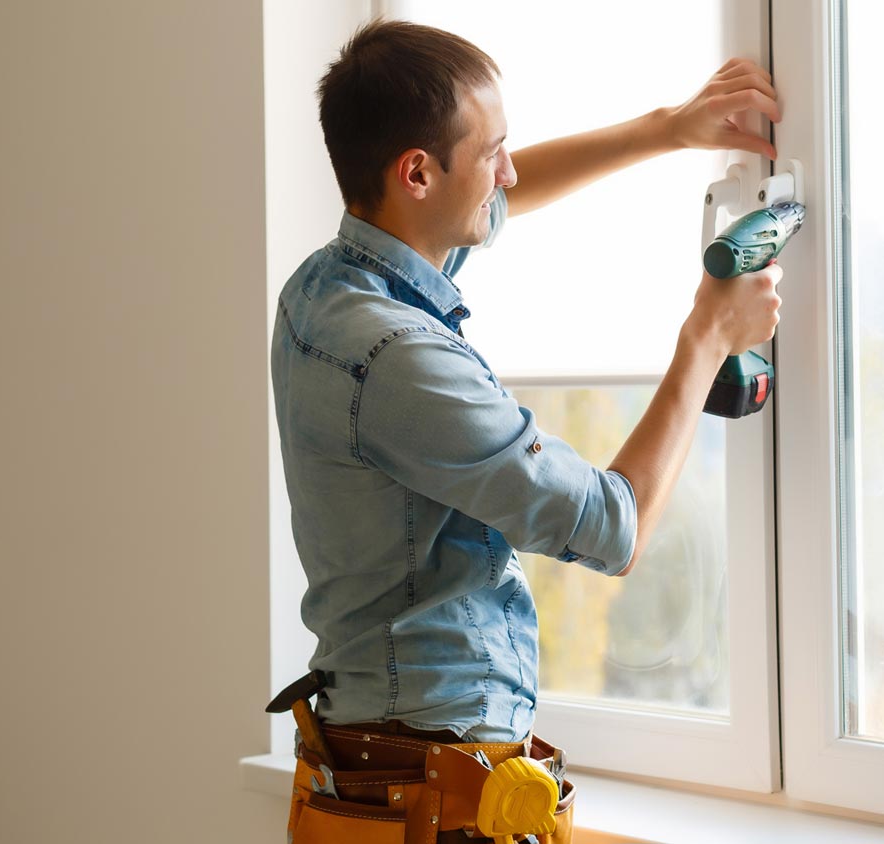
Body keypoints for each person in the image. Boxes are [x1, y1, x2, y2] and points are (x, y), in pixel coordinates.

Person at [268, 18, 783, 843]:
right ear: (417, 173)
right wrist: (706, 339)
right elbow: (614, 526)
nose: (507, 172)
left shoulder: (330, 287)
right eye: (491, 151)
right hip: (436, 779)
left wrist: (670, 128)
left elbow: (504, 194)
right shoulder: (398, 357)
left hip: (381, 756)